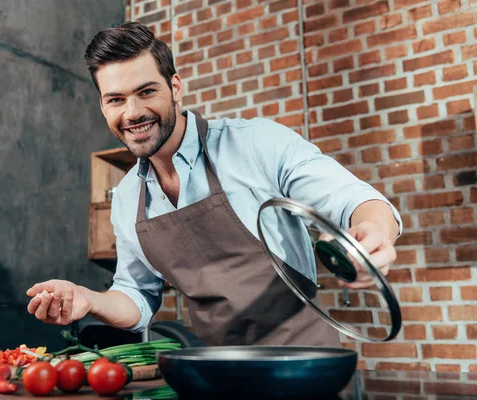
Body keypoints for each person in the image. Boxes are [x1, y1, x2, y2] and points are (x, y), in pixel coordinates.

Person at [26, 22, 401, 347]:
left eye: (146, 92)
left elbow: (355, 200)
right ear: (104, 106)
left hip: (302, 359)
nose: (133, 112)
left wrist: (374, 233)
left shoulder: (255, 143)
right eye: (116, 99)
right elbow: (136, 297)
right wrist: (89, 300)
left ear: (175, 87)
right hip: (219, 366)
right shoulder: (126, 200)